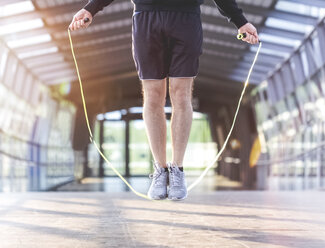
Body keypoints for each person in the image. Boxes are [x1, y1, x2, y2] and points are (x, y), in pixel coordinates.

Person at [69, 0, 259, 201]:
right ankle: (160, 170)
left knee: (181, 94)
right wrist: (91, 8)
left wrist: (240, 21)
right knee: (153, 96)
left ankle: (177, 170)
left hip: (187, 17)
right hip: (146, 17)